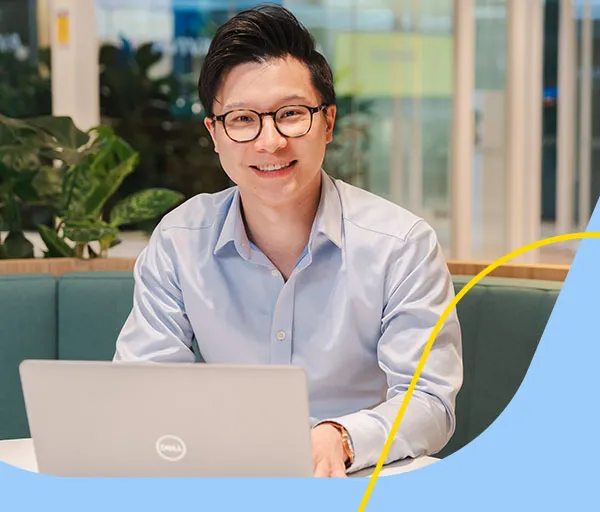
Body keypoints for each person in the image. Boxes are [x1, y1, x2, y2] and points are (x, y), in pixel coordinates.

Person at [113, 4, 463, 478]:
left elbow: (429, 403)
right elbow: (141, 388)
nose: (270, 142)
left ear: (329, 122)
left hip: (355, 481)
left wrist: (341, 437)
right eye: (242, 119)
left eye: (291, 114)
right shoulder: (179, 242)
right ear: (214, 134)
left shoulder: (401, 245)